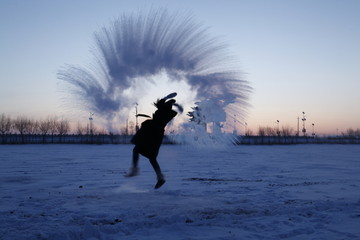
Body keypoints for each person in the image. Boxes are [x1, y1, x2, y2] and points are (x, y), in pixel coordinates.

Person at [126, 93, 182, 189]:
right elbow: (161, 103)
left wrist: (170, 100)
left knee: (139, 151)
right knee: (149, 156)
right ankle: (159, 177)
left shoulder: (166, 113)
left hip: (153, 134)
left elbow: (160, 103)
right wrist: (170, 100)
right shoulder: (166, 111)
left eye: (166, 104)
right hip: (153, 133)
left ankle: (137, 170)